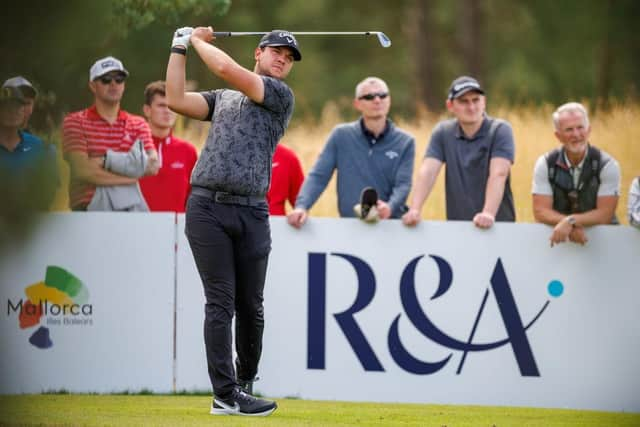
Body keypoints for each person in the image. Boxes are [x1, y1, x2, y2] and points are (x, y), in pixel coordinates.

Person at [166, 26, 301, 416]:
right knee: (220, 302)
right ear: (259, 52)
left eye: (289, 58)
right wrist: (179, 46)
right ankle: (224, 395)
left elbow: (225, 67)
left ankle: (244, 383)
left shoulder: (279, 95)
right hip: (207, 207)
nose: (282, 60)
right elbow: (175, 99)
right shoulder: (223, 99)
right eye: (277, 52)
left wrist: (196, 40)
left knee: (251, 306)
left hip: (253, 211)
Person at [287, 76, 414, 228]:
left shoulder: (405, 141)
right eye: (369, 96)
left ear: (389, 100)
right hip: (350, 229)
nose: (377, 100)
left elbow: (403, 185)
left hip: (391, 227)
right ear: (357, 104)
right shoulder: (341, 136)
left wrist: (390, 207)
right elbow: (319, 176)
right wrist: (302, 206)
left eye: (382, 95)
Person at [402, 76, 515, 228]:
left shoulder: (500, 130)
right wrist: (415, 209)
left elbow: (499, 174)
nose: (472, 107)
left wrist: (488, 213)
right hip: (458, 228)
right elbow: (428, 171)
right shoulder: (443, 132)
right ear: (450, 105)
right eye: (464, 101)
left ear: (484, 102)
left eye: (476, 100)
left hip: (498, 227)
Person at [62, 56, 159, 211]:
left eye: (119, 79)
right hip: (87, 208)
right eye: (106, 79)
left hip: (130, 208)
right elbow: (82, 170)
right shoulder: (74, 122)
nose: (113, 84)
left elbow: (152, 165)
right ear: (93, 86)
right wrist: (130, 176)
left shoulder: (138, 123)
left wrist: (106, 160)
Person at [531, 102, 620, 246]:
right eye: (569, 129)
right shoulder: (545, 163)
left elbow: (605, 215)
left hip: (605, 245)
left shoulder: (608, 164)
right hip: (561, 243)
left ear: (589, 130)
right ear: (558, 136)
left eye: (580, 128)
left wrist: (570, 221)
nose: (576, 134)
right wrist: (570, 226)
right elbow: (540, 211)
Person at [138, 80, 198, 212]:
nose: (167, 111)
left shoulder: (188, 151)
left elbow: (194, 198)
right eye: (161, 105)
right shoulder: (132, 148)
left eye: (171, 106)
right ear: (147, 110)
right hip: (137, 226)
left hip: (176, 229)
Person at [0, 85, 58, 209]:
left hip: (32, 223)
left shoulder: (43, 149)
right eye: (6, 106)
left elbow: (48, 194)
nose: (13, 111)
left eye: (18, 106)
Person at [267, 143, 304, 215]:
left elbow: (301, 203)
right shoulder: (238, 154)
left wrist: (301, 210)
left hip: (277, 224)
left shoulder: (287, 157)